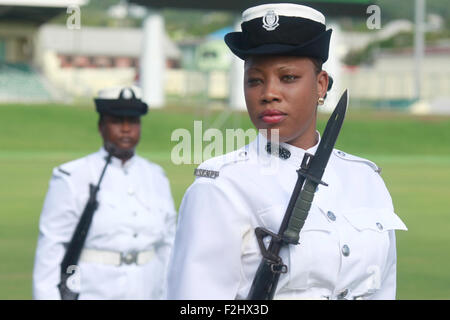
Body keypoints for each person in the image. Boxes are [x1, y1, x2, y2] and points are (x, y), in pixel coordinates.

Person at [167, 3, 407, 300]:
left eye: (288, 78)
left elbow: (384, 289)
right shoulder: (222, 187)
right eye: (255, 80)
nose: (269, 93)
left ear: (321, 85)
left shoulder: (366, 180)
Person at [33, 86, 176, 300]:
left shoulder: (156, 177)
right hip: (94, 292)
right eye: (117, 121)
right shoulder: (73, 177)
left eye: (133, 121)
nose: (126, 129)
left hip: (148, 291)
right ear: (101, 126)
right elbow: (50, 251)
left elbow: (168, 246)